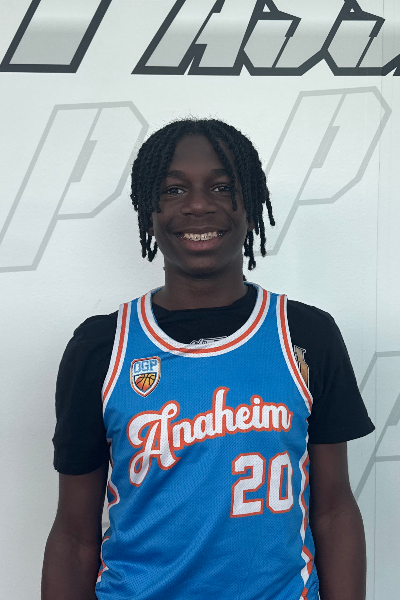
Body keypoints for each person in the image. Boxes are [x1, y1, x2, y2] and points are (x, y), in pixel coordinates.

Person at [42, 119, 374, 600]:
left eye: (222, 187)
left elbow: (334, 510)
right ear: (149, 211)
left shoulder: (305, 335)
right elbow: (74, 536)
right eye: (174, 189)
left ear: (251, 203)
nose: (198, 205)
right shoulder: (102, 347)